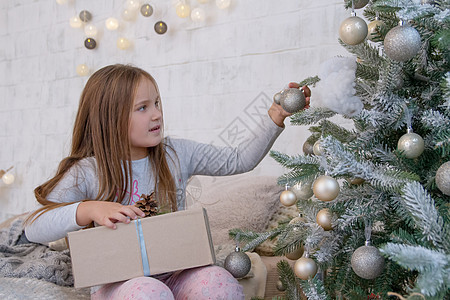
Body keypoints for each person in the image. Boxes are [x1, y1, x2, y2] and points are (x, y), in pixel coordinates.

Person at [24, 64, 311, 300]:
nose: (157, 114)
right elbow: (34, 228)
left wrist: (276, 116)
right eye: (142, 108)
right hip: (119, 282)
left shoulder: (175, 153)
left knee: (217, 281)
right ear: (110, 118)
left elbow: (238, 160)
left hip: (177, 271)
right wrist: (88, 209)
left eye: (157, 103)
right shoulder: (87, 171)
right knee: (148, 292)